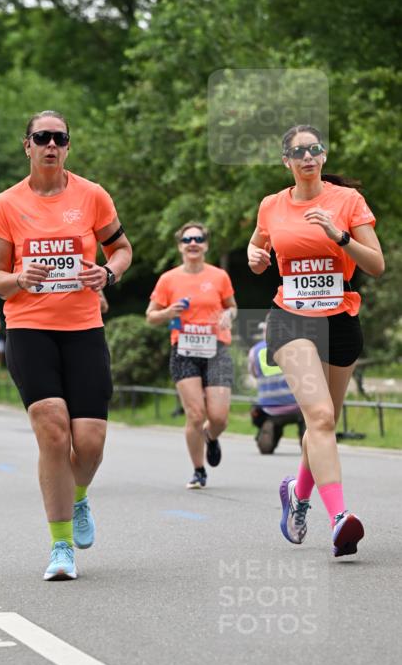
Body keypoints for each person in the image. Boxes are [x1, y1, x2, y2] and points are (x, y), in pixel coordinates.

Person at [0, 109, 132, 580]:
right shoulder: (7, 204)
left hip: (84, 328)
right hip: (29, 327)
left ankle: (80, 495)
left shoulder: (92, 196)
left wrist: (108, 272)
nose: (51, 145)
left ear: (68, 146)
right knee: (53, 431)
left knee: (88, 443)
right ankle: (60, 546)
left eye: (60, 138)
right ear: (26, 145)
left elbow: (122, 249)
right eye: (42, 137)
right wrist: (18, 276)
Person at [247, 124, 384, 557]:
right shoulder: (271, 205)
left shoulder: (347, 202)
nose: (307, 157)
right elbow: (257, 252)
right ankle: (340, 518)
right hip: (291, 320)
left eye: (314, 149)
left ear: (323, 156)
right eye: (297, 151)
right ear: (286, 160)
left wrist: (339, 236)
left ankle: (297, 496)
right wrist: (255, 258)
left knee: (321, 425)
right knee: (321, 417)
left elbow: (377, 264)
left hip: (340, 318)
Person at [146, 222, 237, 488]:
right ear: (180, 246)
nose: (193, 243)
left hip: (216, 349)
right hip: (184, 350)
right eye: (187, 240)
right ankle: (199, 470)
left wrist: (227, 315)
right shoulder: (169, 279)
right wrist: (167, 313)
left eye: (198, 239)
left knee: (219, 417)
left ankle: (210, 435)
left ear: (206, 245)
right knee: (195, 414)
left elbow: (233, 308)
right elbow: (150, 316)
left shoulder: (219, 276)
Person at [248, 321, 305, 454]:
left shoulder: (255, 351)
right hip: (297, 407)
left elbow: (254, 374)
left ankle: (269, 426)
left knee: (257, 410)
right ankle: (306, 433)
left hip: (269, 408)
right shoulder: (296, 347)